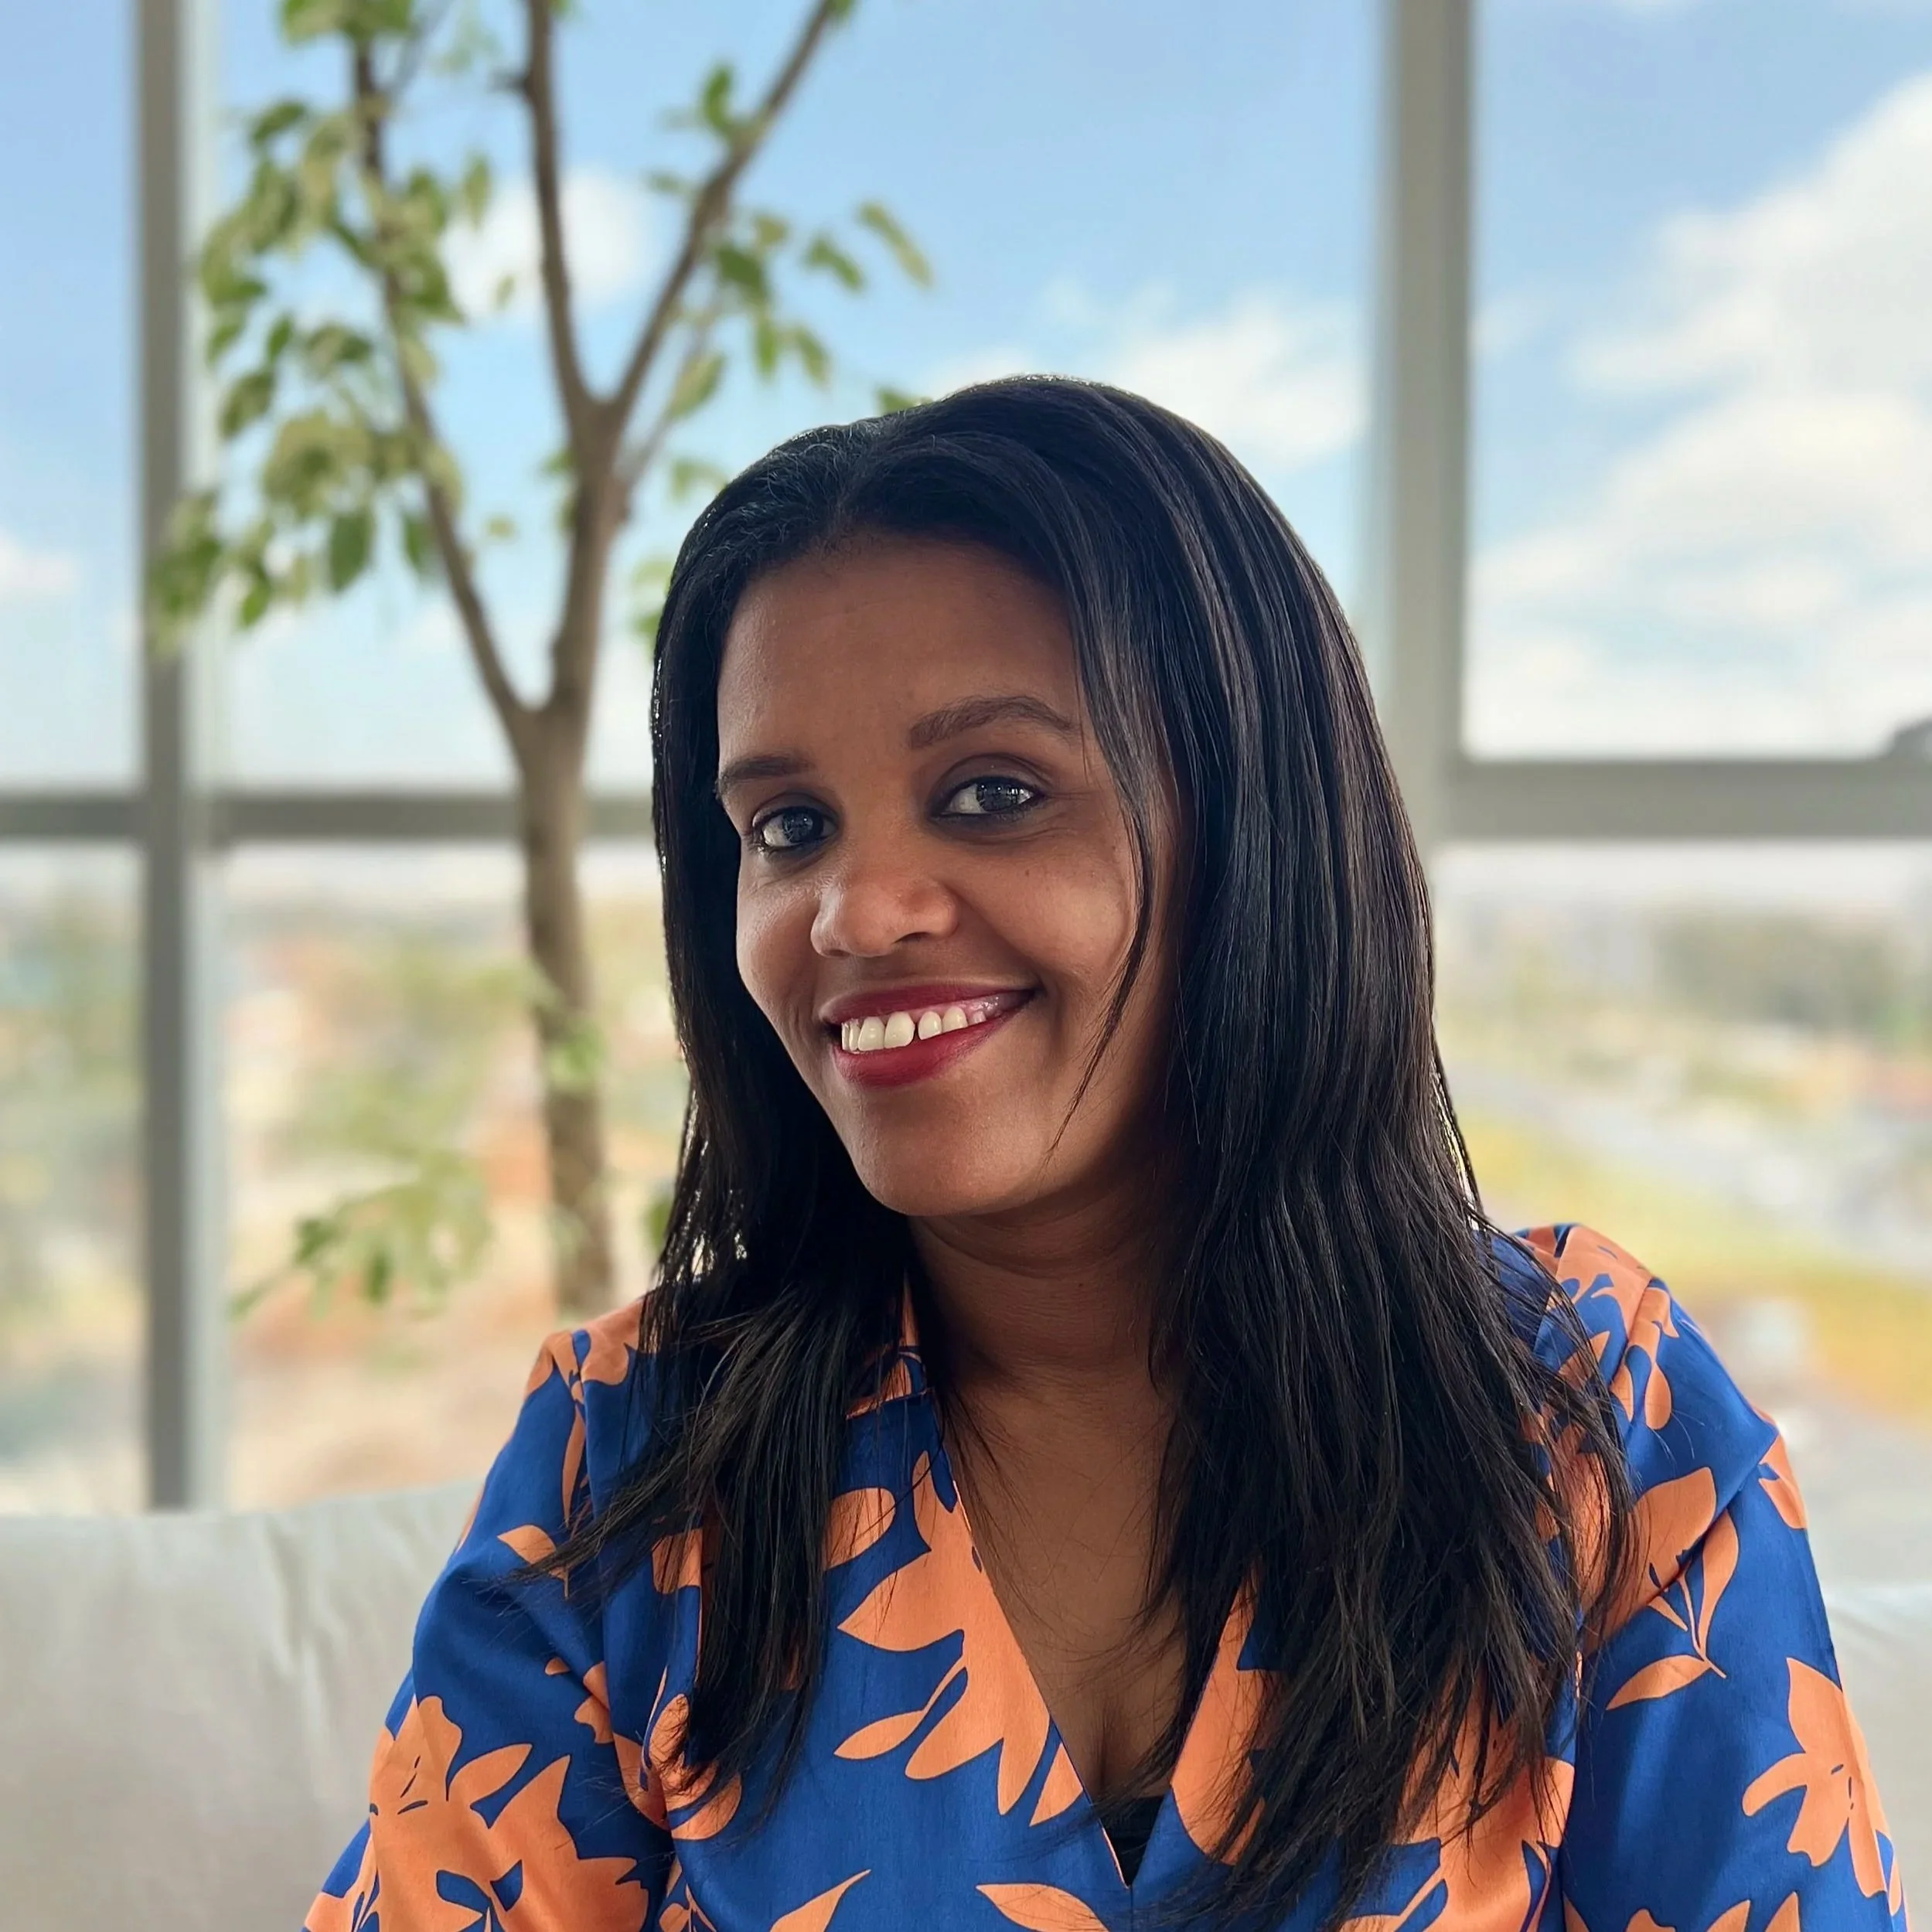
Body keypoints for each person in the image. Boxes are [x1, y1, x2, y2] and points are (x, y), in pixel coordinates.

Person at [306, 379, 1905, 1932]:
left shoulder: (1584, 1415)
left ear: (1254, 833)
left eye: (991, 794)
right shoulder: (629, 1462)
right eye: (787, 825)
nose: (856, 913)